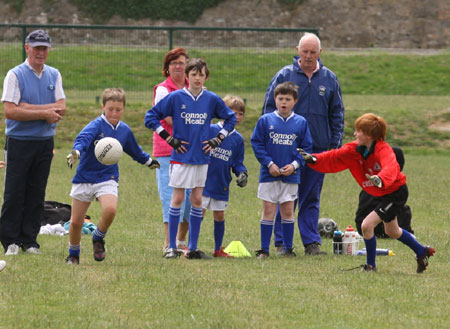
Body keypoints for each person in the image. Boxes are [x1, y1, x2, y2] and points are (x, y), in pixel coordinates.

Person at [298, 113, 435, 273]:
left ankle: (371, 266)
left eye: (358, 131)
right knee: (392, 231)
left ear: (369, 135)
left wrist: (380, 179)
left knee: (366, 225)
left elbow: (390, 166)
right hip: (382, 194)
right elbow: (335, 156)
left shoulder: (384, 149)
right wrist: (314, 159)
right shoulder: (354, 149)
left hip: (395, 193)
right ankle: (421, 251)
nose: (355, 134)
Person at [262, 32, 345, 255]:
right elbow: (268, 111)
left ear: (320, 53)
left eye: (313, 52)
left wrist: (334, 147)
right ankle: (282, 243)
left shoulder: (329, 79)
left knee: (311, 196)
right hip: (287, 149)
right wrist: (273, 143)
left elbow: (337, 114)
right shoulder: (284, 75)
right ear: (297, 50)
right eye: (305, 51)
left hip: (318, 150)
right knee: (286, 197)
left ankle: (311, 242)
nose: (308, 56)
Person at [145, 58, 237, 259]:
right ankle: (171, 247)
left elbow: (231, 118)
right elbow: (150, 117)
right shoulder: (177, 97)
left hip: (202, 158)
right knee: (177, 198)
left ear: (206, 77)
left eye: (201, 74)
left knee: (197, 200)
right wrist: (169, 138)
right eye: (193, 74)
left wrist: (218, 139)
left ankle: (192, 248)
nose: (197, 78)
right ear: (187, 76)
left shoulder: (211, 99)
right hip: (180, 157)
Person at [65, 88, 160, 264]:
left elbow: (134, 150)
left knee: (110, 210)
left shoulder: (123, 130)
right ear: (103, 107)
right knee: (76, 222)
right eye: (110, 109)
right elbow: (82, 140)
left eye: (118, 109)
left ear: (123, 108)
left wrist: (148, 161)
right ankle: (73, 254)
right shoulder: (95, 126)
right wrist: (76, 152)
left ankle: (98, 237)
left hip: (107, 177)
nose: (114, 113)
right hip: (85, 177)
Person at [0, 30, 66, 255]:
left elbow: (62, 108)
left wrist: (27, 106)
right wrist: (44, 112)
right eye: (36, 47)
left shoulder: (54, 75)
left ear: (49, 50)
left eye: (44, 48)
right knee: (14, 193)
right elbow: (10, 110)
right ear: (27, 48)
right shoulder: (15, 74)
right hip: (19, 142)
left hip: (44, 143)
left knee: (36, 193)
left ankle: (30, 240)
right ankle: (10, 240)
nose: (40, 52)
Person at [251, 82, 313, 258]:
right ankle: (264, 249)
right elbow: (257, 144)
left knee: (287, 211)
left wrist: (294, 165)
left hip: (291, 176)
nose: (283, 102)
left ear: (295, 101)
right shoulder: (265, 120)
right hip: (269, 175)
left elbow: (306, 148)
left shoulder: (301, 122)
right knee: (268, 210)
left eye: (287, 99)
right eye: (280, 98)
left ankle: (288, 248)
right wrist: (269, 164)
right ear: (275, 99)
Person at [152, 48, 191, 252]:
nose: (178, 66)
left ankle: (182, 241)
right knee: (170, 196)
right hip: (167, 150)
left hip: (191, 152)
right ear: (167, 68)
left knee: (190, 198)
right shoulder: (162, 90)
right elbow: (166, 117)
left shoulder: (193, 88)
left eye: (182, 62)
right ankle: (169, 243)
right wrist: (193, 126)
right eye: (174, 62)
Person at [202, 95, 248, 258]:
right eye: (232, 112)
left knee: (219, 215)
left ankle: (217, 249)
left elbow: (237, 161)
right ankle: (190, 245)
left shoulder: (237, 139)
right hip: (204, 180)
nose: (236, 116)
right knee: (198, 213)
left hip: (221, 182)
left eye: (240, 113)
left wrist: (242, 172)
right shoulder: (212, 130)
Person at [354, 146, 414, 237]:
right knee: (402, 208)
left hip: (360, 228)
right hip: (376, 229)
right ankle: (409, 234)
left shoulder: (371, 181)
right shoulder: (395, 185)